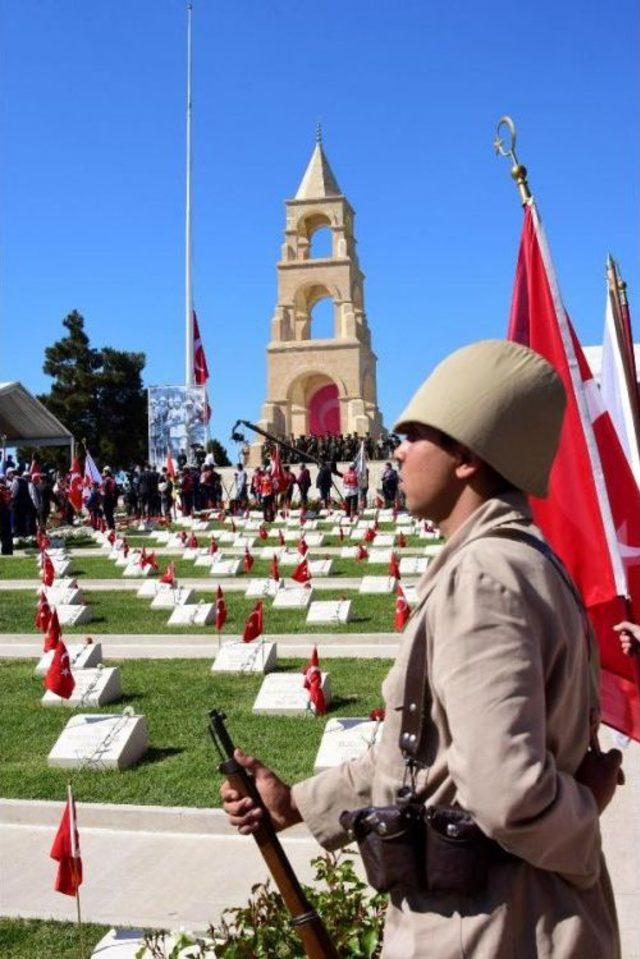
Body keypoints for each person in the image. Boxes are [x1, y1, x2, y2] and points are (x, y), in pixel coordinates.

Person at [221, 340, 622, 959]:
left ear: (466, 456)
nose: (397, 450)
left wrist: (585, 808)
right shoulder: (514, 559)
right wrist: (295, 803)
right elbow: (422, 757)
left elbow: (505, 792)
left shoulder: (484, 575)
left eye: (415, 436)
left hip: (491, 924)